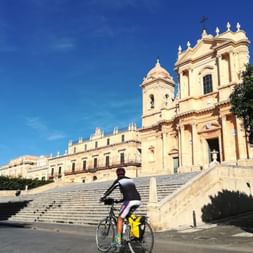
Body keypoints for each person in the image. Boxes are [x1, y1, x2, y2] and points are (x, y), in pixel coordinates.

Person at [100, 167, 141, 252]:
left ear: (117, 174)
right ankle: (129, 230)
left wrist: (103, 197)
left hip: (129, 201)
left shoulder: (119, 180)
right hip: (137, 200)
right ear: (124, 173)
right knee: (127, 215)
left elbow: (110, 190)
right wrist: (119, 201)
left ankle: (117, 241)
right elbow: (130, 192)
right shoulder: (130, 180)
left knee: (119, 218)